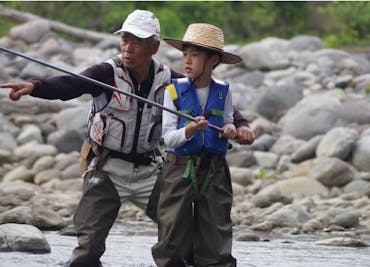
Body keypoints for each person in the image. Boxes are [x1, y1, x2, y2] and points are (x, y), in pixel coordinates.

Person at [0, 10, 254, 267]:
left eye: (136, 42)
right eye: (125, 40)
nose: (128, 48)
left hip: (151, 172)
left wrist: (241, 125)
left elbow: (212, 102)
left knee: (182, 235)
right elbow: (70, 85)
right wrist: (34, 87)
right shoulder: (105, 73)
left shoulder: (171, 81)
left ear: (154, 47)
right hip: (107, 169)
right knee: (87, 253)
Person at [152, 23, 241, 267]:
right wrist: (190, 130)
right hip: (178, 169)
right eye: (184, 55)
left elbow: (228, 122)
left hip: (215, 170)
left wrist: (231, 130)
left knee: (216, 230)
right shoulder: (172, 92)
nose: (187, 61)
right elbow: (168, 138)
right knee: (172, 233)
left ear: (213, 60)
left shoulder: (224, 92)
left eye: (194, 55)